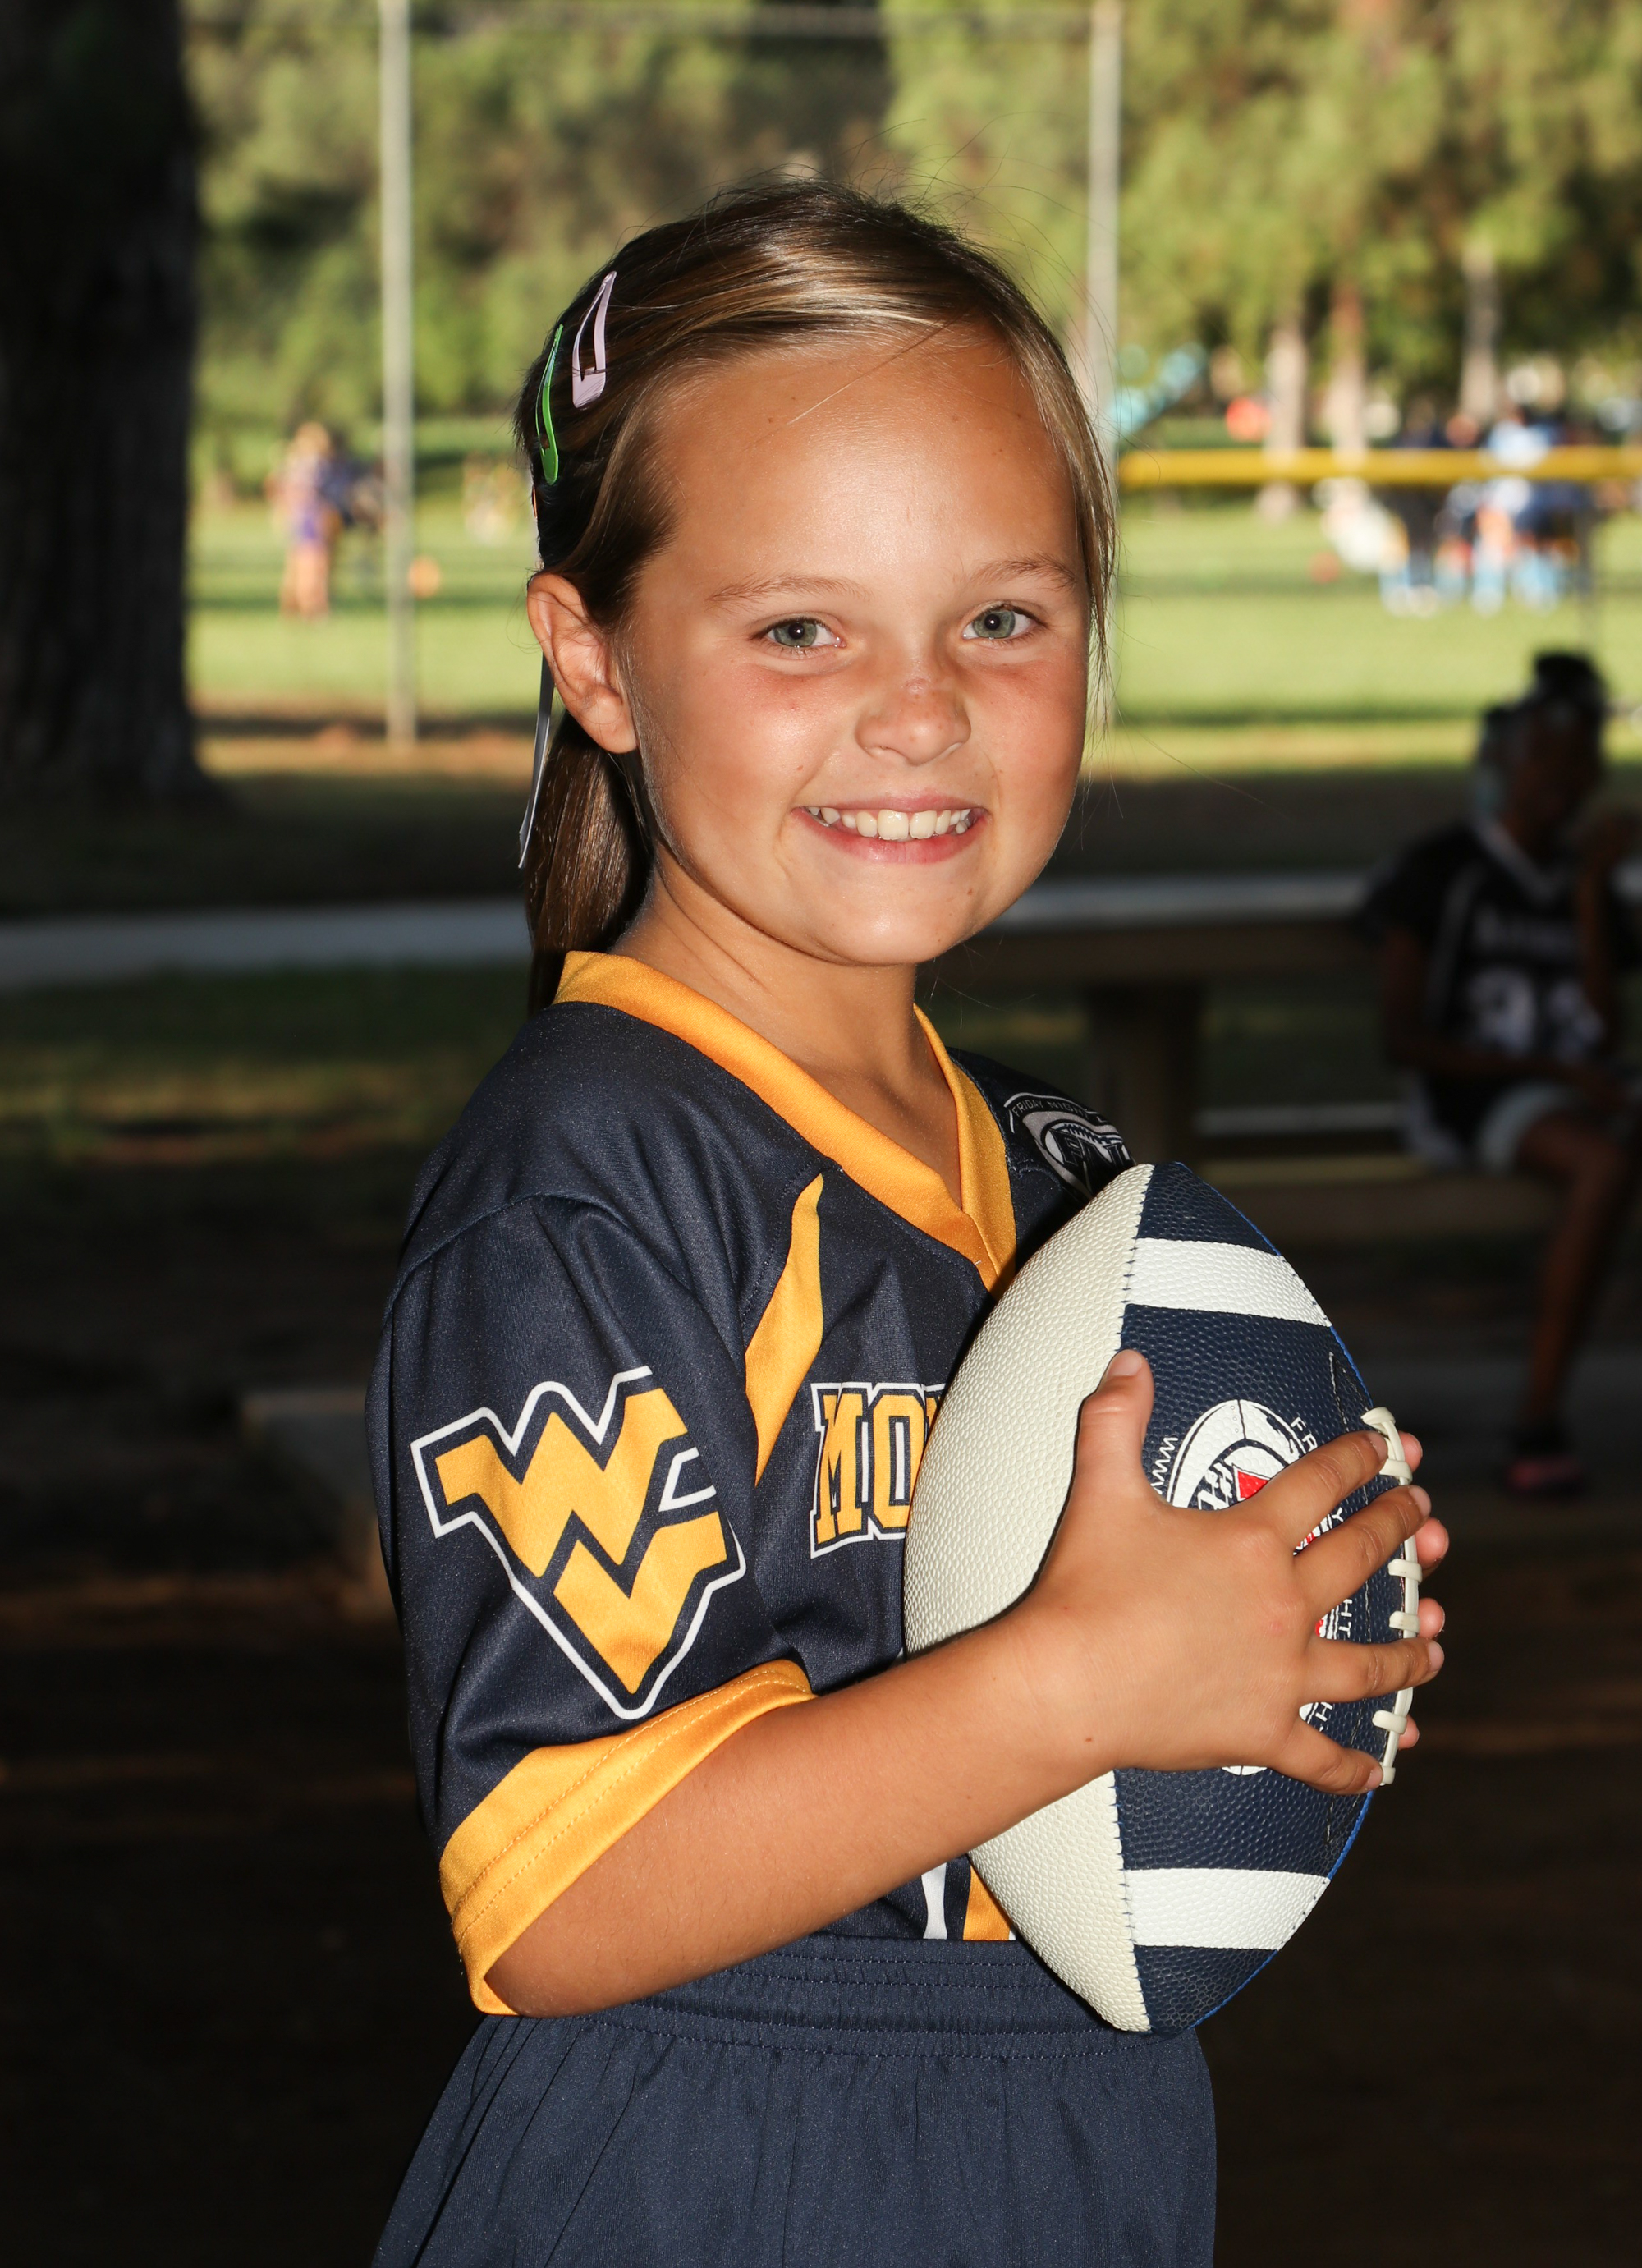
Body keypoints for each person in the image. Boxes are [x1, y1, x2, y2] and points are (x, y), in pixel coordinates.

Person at [369, 182, 1445, 2268]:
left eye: (1001, 619)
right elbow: (557, 1890)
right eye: (799, 628)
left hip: (1073, 2123)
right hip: (714, 2163)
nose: (920, 707)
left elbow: (1128, 1687)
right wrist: (1083, 1678)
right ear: (592, 659)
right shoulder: (586, 1176)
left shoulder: (1065, 1178)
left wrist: (1294, 1615)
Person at [1365, 650, 1640, 1499]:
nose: (1560, 780)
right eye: (1542, 758)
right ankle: (1536, 1420)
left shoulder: (1582, 880)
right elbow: (1404, 1036)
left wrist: (1590, 892)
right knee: (1602, 1166)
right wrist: (1548, 1070)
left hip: (1569, 1091)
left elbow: (1604, 1029)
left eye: (1579, 763)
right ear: (1500, 760)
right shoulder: (1442, 871)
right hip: (1470, 1096)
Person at [269, 420, 340, 618]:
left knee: (301, 562)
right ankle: (311, 605)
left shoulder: (297, 463)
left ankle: (295, 604)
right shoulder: (308, 465)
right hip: (309, 519)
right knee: (312, 563)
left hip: (304, 519)